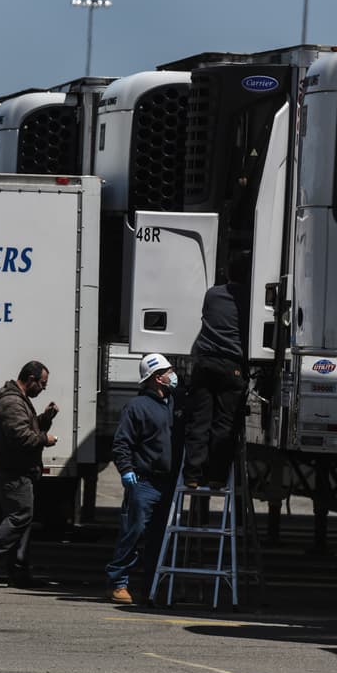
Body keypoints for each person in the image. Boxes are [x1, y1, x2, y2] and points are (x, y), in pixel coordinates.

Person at [105, 352, 179, 604]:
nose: (173, 375)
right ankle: (119, 582)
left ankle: (151, 586)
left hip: (167, 483)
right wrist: (126, 470)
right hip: (144, 481)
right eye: (169, 372)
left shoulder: (173, 403)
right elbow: (121, 443)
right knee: (134, 532)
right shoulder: (137, 407)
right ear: (157, 378)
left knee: (160, 536)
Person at [0, 360, 58, 588]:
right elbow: (21, 437)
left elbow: (26, 429)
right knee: (21, 516)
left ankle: (18, 571)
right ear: (31, 379)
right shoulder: (12, 402)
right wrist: (45, 439)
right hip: (13, 473)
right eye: (42, 384)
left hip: (19, 472)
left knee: (21, 521)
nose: (43, 389)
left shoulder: (19, 400)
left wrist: (45, 419)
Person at [182, 253, 250, 488]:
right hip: (231, 365)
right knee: (224, 424)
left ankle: (192, 475)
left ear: (228, 273)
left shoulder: (212, 294)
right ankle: (216, 476)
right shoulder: (249, 298)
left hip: (205, 362)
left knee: (199, 420)